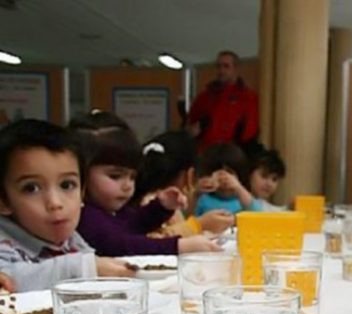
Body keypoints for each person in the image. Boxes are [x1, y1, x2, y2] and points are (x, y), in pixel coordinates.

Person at [0, 119, 133, 291]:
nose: (55, 203)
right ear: (3, 201)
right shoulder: (4, 242)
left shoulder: (70, 240)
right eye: (31, 188)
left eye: (67, 185)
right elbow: (10, 279)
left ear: (82, 192)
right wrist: (81, 269)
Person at [70, 111, 219, 256]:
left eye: (133, 177)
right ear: (80, 172)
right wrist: (178, 246)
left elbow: (134, 224)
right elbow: (121, 245)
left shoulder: (114, 210)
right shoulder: (84, 215)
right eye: (115, 176)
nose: (127, 185)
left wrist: (161, 207)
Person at [135, 131, 234, 238]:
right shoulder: (154, 204)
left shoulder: (154, 200)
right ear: (189, 175)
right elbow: (159, 241)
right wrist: (200, 225)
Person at [188, 51, 259, 152]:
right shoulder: (205, 97)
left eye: (226, 66)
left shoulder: (248, 97)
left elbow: (250, 131)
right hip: (206, 154)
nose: (221, 70)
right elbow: (192, 123)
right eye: (218, 66)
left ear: (236, 69)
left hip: (233, 155)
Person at [195, 143, 253, 216]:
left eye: (229, 172)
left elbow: (256, 214)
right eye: (217, 173)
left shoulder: (244, 200)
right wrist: (195, 193)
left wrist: (239, 188)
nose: (223, 178)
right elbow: (187, 219)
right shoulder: (203, 199)